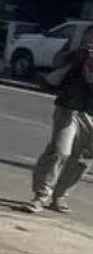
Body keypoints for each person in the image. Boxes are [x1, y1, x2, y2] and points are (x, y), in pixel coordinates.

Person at [25, 28, 93, 212]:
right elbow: (56, 62)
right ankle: (41, 196)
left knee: (82, 160)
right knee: (59, 151)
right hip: (68, 109)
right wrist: (77, 58)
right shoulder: (75, 56)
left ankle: (60, 196)